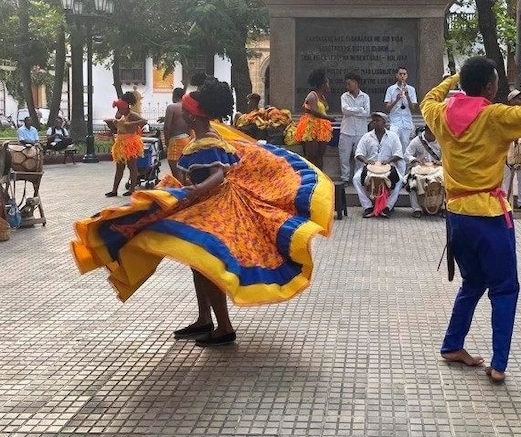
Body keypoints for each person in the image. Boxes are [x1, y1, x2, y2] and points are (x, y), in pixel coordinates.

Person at [71, 78, 334, 348]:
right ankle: (205, 319)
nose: (182, 113)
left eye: (185, 111)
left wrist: (196, 190)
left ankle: (224, 326)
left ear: (193, 115)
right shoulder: (206, 136)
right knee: (199, 265)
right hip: (206, 205)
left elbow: (218, 175)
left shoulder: (207, 141)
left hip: (214, 209)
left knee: (208, 266)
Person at [422, 57, 521, 384]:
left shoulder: (441, 114)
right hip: (489, 217)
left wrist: (450, 81)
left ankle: (452, 345)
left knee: (473, 283)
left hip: (458, 217)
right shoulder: (495, 117)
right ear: (491, 87)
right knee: (504, 289)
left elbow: (427, 100)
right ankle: (499, 364)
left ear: (463, 83)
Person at [353, 111, 404, 218]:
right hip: (369, 166)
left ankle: (387, 207)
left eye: (377, 120)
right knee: (356, 179)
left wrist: (389, 160)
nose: (374, 123)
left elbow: (399, 154)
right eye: (373, 121)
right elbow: (358, 153)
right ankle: (367, 207)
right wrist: (366, 161)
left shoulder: (393, 136)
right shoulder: (366, 137)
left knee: (400, 180)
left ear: (384, 122)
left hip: (389, 166)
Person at [104, 91, 147, 197]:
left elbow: (144, 121)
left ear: (126, 107)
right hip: (120, 143)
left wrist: (130, 124)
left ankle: (132, 190)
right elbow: (117, 127)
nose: (118, 111)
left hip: (130, 143)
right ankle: (114, 190)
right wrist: (113, 125)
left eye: (120, 108)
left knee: (132, 166)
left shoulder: (132, 115)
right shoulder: (120, 115)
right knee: (119, 167)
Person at [294, 68, 333, 171]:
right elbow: (314, 111)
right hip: (312, 127)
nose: (329, 85)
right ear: (322, 84)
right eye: (327, 83)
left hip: (322, 128)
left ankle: (321, 176)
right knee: (312, 156)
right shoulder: (312, 95)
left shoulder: (323, 97)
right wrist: (328, 118)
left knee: (320, 156)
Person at [501, 89, 521, 209]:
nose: (519, 100)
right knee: (505, 178)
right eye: (516, 98)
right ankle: (504, 202)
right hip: (508, 150)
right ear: (510, 101)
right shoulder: (505, 113)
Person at [338, 73, 371, 184]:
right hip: (346, 131)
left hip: (361, 132)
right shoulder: (344, 96)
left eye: (349, 84)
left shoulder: (365, 97)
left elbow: (366, 113)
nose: (347, 86)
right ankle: (345, 178)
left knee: (360, 156)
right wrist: (359, 109)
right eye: (346, 84)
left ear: (356, 83)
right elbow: (345, 110)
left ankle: (358, 178)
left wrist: (353, 111)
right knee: (344, 157)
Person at [404, 125, 443, 217]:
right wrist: (415, 159)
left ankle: (443, 207)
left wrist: (440, 161)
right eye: (431, 133)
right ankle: (416, 208)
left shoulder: (441, 140)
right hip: (420, 168)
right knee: (411, 181)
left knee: (445, 181)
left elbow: (447, 155)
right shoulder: (417, 141)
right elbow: (406, 155)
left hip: (437, 168)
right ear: (426, 132)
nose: (433, 136)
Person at [384, 67, 418, 151]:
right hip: (395, 121)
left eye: (404, 74)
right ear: (396, 76)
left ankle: (404, 163)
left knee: (405, 144)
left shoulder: (411, 89)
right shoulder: (391, 89)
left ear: (407, 76)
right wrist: (396, 100)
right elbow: (387, 107)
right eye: (400, 74)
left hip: (406, 121)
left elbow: (413, 108)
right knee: (392, 142)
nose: (402, 76)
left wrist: (408, 97)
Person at [163, 87, 189, 181]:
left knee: (176, 172)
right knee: (185, 172)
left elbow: (166, 127)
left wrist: (166, 141)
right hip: (188, 140)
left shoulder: (172, 107)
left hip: (175, 141)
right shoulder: (187, 107)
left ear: (174, 96)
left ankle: (180, 193)